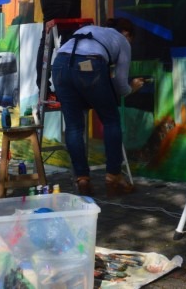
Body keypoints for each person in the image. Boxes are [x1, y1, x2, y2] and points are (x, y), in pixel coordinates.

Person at [51, 18, 145, 197]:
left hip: (60, 65)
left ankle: (83, 179)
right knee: (111, 120)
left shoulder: (92, 31)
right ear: (127, 34)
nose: (130, 43)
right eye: (131, 39)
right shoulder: (123, 41)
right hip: (88, 65)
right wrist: (132, 87)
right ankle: (113, 177)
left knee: (73, 126)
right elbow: (120, 84)